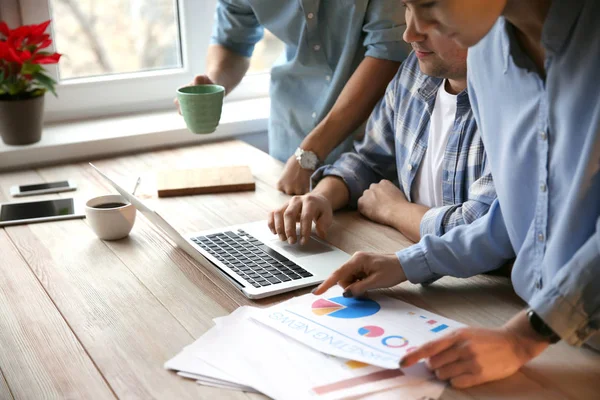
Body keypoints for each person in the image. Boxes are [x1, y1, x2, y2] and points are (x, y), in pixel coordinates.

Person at [313, 0, 600, 389]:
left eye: (428, 2)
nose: (410, 32)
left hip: (543, 333)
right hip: (545, 332)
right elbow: (526, 213)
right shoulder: (484, 54)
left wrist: (523, 337)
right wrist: (408, 263)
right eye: (405, 4)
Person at [268, 16, 495, 246]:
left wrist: (394, 210)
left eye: (431, 15)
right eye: (407, 7)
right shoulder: (414, 71)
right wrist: (320, 197)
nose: (408, 34)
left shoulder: (508, 106)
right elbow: (368, 161)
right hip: (411, 256)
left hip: (482, 280)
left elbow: (481, 234)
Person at [177, 1, 409, 195]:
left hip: (368, 141)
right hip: (289, 138)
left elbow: (388, 53)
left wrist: (309, 153)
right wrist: (215, 81)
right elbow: (233, 42)